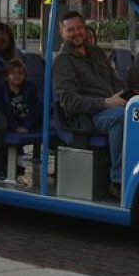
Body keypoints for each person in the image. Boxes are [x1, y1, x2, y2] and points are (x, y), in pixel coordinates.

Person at [52, 11, 125, 198]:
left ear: (85, 29)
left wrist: (129, 95)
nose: (76, 33)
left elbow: (115, 81)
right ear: (62, 33)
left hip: (111, 105)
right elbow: (69, 102)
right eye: (70, 30)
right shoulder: (62, 62)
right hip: (87, 117)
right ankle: (118, 181)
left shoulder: (97, 53)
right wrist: (106, 103)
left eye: (79, 28)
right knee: (121, 118)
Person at [0, 58, 40, 180]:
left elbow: (35, 110)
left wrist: (27, 126)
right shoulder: (2, 91)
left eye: (20, 73)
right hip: (10, 122)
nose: (17, 76)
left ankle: (16, 165)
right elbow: (3, 112)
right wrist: (14, 126)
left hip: (28, 122)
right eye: (13, 73)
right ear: (6, 76)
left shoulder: (30, 89)